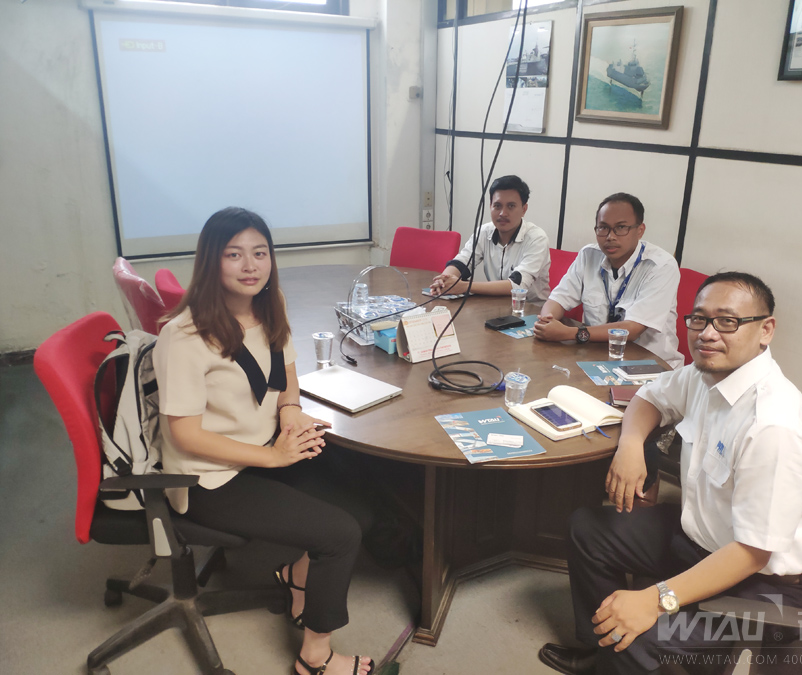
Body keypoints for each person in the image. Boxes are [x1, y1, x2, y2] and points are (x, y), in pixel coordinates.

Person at [538, 272, 802, 675]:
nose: (707, 333)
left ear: (766, 330)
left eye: (727, 321)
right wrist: (630, 446)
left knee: (637, 633)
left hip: (760, 584)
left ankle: (621, 652)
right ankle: (599, 652)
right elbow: (649, 397)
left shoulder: (774, 427)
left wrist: (654, 599)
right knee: (588, 529)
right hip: (699, 539)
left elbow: (752, 553)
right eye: (699, 319)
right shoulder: (706, 372)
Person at [153, 207, 375, 675]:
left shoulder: (270, 307)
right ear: (211, 260)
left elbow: (286, 374)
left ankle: (297, 579)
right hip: (208, 478)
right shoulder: (183, 335)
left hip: (264, 447)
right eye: (234, 254)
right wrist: (272, 457)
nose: (250, 265)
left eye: (260, 253)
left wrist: (290, 410)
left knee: (362, 502)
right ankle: (315, 658)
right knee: (340, 534)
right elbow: (184, 434)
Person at [533, 193, 683, 369]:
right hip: (596, 359)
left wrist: (570, 333)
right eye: (603, 228)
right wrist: (547, 321)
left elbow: (632, 329)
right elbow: (558, 298)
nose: (610, 236)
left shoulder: (661, 266)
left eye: (621, 227)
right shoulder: (589, 255)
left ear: (640, 230)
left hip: (648, 366)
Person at [429, 174, 551, 302]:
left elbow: (517, 285)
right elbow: (462, 262)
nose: (503, 213)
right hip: (494, 305)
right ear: (490, 206)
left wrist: (464, 286)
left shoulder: (536, 239)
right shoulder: (484, 232)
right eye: (497, 206)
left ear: (524, 209)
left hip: (530, 309)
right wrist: (444, 280)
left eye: (511, 206)